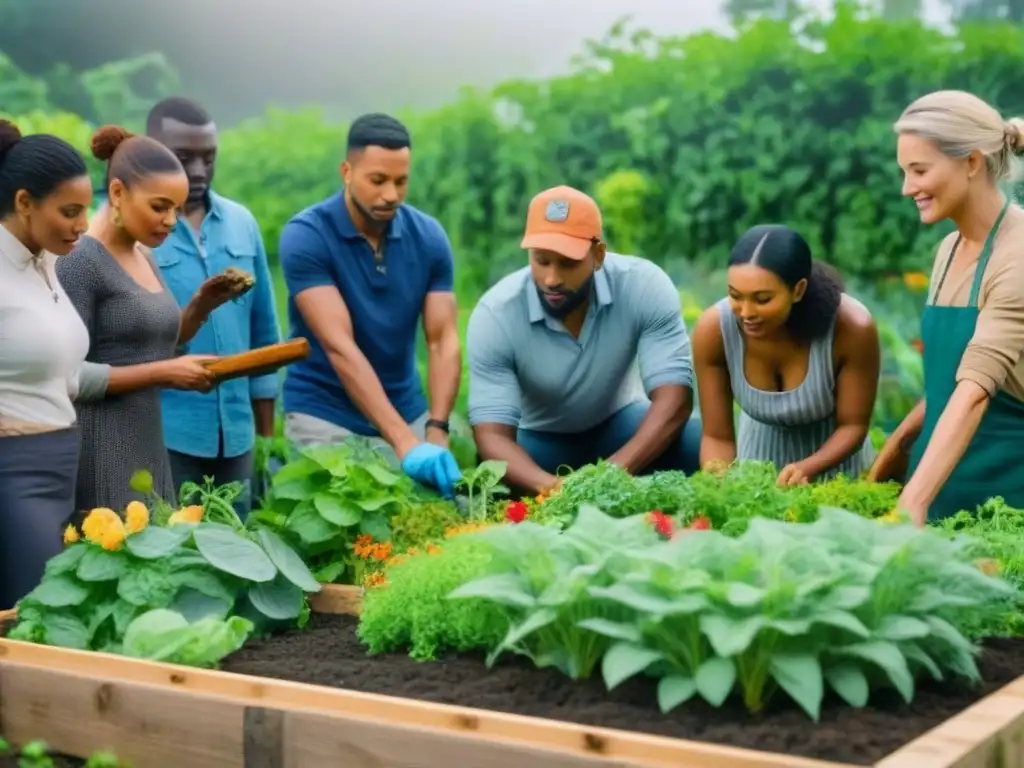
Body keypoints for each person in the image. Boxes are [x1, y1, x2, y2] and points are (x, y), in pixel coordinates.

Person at [56, 125, 251, 514]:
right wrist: (165, 373)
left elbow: (161, 346)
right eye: (159, 207)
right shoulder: (80, 262)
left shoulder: (142, 255)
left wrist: (200, 306)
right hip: (102, 444)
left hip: (147, 442)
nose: (171, 221)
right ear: (116, 193)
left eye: (177, 209)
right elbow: (68, 376)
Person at [466, 185, 701, 496]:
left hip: (619, 426)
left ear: (598, 255)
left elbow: (675, 400)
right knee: (489, 474)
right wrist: (550, 487)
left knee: (695, 440)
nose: (552, 279)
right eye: (541, 260)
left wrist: (611, 475)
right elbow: (492, 436)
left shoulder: (643, 286)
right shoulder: (496, 314)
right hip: (539, 442)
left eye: (567, 263)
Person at [280, 113, 463, 496]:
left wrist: (436, 429)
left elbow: (442, 339)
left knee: (428, 528)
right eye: (377, 180)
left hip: (406, 407)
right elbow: (339, 347)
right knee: (340, 536)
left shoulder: (428, 237)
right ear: (347, 171)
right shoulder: (307, 236)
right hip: (324, 413)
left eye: (401, 181)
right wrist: (404, 444)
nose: (391, 195)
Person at [871, 90, 1024, 524]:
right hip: (940, 493)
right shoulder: (948, 249)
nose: (907, 188)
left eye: (919, 170)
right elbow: (948, 381)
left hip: (1005, 508)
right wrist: (896, 449)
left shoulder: (1018, 254)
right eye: (904, 172)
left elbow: (976, 391)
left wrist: (911, 504)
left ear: (972, 163)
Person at [147, 97, 280, 518]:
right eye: (184, 158)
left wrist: (265, 437)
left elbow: (264, 332)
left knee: (236, 551)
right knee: (176, 555)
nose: (199, 171)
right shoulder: (138, 233)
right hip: (168, 433)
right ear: (151, 151)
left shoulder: (241, 222)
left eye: (209, 157)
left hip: (238, 433)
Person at [0, 120, 108, 607]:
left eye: (85, 210)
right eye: (69, 212)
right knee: (38, 614)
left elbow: (59, 370)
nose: (83, 226)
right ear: (25, 202)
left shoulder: (48, 263)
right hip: (14, 471)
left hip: (64, 459)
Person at [692, 224, 879, 485]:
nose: (746, 312)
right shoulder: (714, 330)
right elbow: (716, 437)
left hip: (838, 478)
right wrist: (721, 485)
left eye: (762, 299)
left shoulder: (851, 328)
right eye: (735, 296)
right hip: (757, 474)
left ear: (798, 290)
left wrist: (807, 468)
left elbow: (853, 426)